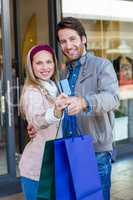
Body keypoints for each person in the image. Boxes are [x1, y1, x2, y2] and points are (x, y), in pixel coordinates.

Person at [27, 17, 120, 200]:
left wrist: (84, 102)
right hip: (69, 149)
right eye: (63, 41)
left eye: (72, 39)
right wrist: (39, 124)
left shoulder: (102, 66)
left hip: (96, 151)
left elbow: (113, 99)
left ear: (83, 39)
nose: (68, 46)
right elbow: (59, 106)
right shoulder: (64, 72)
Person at [19, 44, 67, 200]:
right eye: (39, 63)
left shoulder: (57, 87)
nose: (45, 67)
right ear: (31, 66)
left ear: (54, 63)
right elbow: (37, 120)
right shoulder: (32, 91)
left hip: (56, 162)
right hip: (38, 168)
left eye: (49, 62)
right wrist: (55, 111)